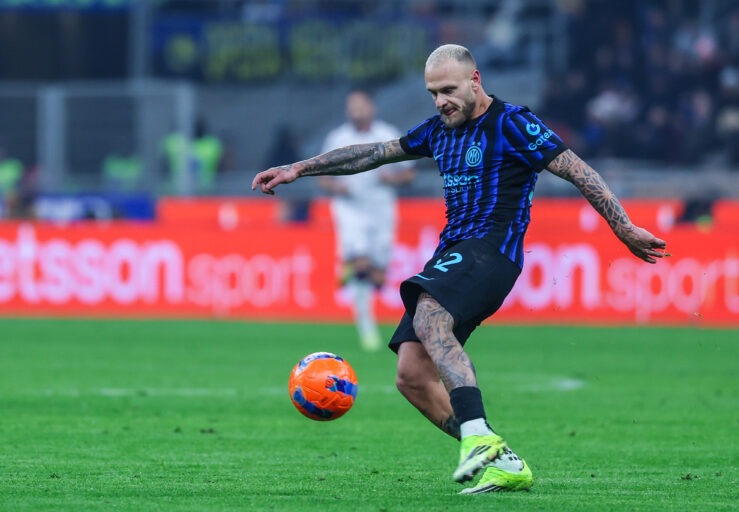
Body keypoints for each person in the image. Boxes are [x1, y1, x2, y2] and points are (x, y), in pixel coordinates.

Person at [252, 44, 667, 494]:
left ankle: (476, 435)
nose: (440, 101)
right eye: (432, 93)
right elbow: (372, 154)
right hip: (455, 250)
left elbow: (575, 169)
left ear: (475, 81)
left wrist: (622, 225)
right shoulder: (438, 130)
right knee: (411, 375)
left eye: (447, 90)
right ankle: (501, 458)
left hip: (492, 250)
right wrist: (299, 168)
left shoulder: (513, 123)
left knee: (430, 315)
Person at [319, 89, 414, 351]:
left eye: (361, 106)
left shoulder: (388, 135)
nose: (357, 112)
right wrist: (336, 188)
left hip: (382, 209)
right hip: (349, 209)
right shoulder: (338, 138)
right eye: (352, 107)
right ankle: (367, 329)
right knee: (361, 266)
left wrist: (391, 179)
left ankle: (350, 267)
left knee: (378, 279)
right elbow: (322, 176)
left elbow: (408, 175)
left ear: (372, 108)